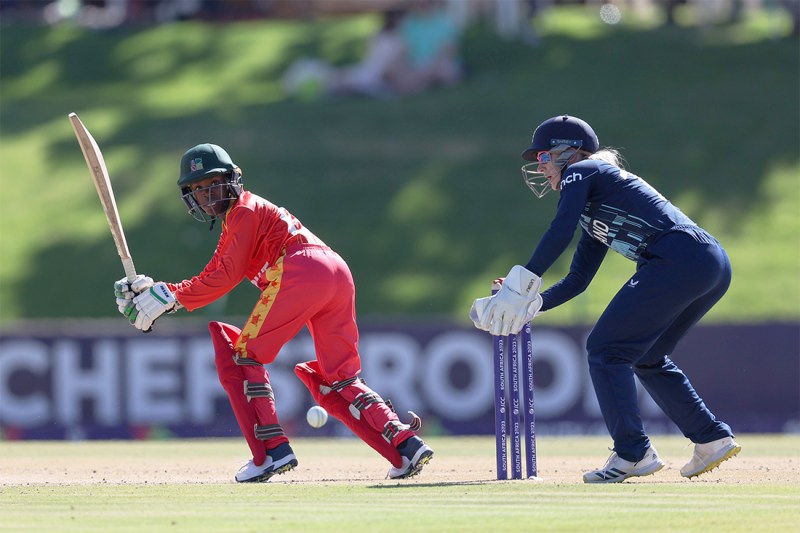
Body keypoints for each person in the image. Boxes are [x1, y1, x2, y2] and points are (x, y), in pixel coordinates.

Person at [114, 143, 433, 482]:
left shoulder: (242, 212)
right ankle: (404, 446)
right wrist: (160, 292)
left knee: (243, 356)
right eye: (198, 189)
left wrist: (168, 298)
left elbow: (226, 276)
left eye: (212, 184)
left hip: (301, 269)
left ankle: (271, 452)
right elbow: (212, 273)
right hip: (335, 271)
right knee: (340, 377)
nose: (206, 195)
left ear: (233, 179)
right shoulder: (238, 221)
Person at [470, 115, 741, 483]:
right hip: (708, 263)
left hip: (678, 257)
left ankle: (633, 453)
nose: (540, 166)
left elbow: (559, 229)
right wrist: (534, 304)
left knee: (605, 349)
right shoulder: (595, 200)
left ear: (569, 152)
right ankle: (710, 438)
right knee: (646, 356)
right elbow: (578, 280)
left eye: (544, 156)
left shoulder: (583, 171)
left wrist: (522, 282)